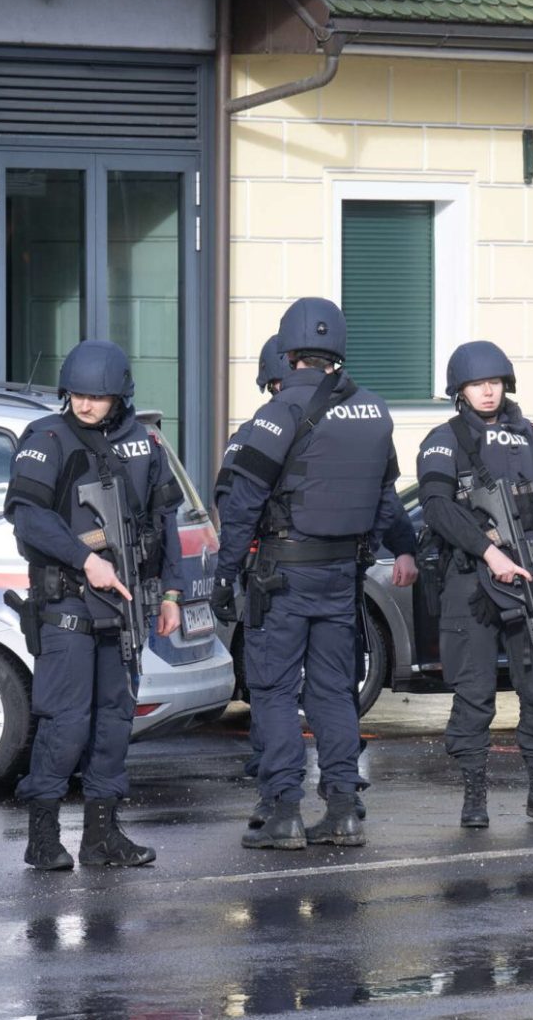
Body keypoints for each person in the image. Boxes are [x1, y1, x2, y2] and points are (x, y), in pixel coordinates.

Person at [212, 297, 409, 849]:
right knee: (333, 691)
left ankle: (283, 812)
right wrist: (384, 549)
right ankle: (344, 808)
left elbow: (241, 505)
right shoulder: (374, 411)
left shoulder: (274, 415)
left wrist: (224, 576)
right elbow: (387, 501)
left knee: (274, 690)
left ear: (289, 350)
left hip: (283, 577)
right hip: (343, 577)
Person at [5, 339, 185, 870]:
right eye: (78, 395)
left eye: (97, 397)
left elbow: (166, 521)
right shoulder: (47, 437)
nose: (85, 405)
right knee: (66, 725)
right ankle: (43, 838)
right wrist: (87, 562)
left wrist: (172, 592)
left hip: (126, 607)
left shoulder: (145, 442)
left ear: (120, 396)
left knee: (113, 721)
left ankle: (102, 837)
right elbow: (27, 515)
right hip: (69, 607)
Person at [416, 341, 533, 828]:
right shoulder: (444, 439)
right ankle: (474, 796)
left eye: (494, 383)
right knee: (474, 692)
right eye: (477, 384)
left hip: (531, 576)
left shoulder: (531, 435)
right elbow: (438, 508)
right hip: (472, 581)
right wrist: (489, 553)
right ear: (460, 391)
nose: (488, 391)